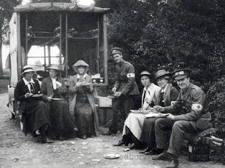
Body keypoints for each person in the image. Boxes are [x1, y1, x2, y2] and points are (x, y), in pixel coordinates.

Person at [152, 68, 212, 168]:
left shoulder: (197, 92)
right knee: (160, 122)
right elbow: (176, 106)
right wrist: (162, 109)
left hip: (200, 121)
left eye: (182, 79)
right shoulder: (182, 91)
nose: (180, 82)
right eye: (178, 80)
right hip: (189, 119)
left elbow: (194, 115)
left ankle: (174, 159)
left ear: (188, 79)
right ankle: (164, 151)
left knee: (177, 124)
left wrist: (175, 118)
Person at [113, 70, 161, 148]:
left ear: (150, 79)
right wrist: (141, 110)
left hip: (153, 113)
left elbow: (157, 105)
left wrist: (147, 110)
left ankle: (136, 142)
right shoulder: (145, 89)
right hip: (146, 112)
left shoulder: (156, 89)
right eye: (142, 79)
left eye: (146, 79)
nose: (144, 81)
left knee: (133, 117)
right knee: (131, 115)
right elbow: (145, 104)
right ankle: (126, 139)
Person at [139, 69, 179, 155]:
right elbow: (159, 104)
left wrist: (162, 109)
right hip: (163, 113)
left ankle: (159, 148)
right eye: (158, 80)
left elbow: (174, 108)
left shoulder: (172, 90)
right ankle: (149, 146)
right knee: (147, 120)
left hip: (172, 114)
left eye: (161, 80)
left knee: (154, 121)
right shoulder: (161, 90)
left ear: (167, 80)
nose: (159, 82)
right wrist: (154, 106)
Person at [106, 47, 140, 135]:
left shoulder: (129, 66)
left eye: (117, 56)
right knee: (115, 108)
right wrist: (115, 87)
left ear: (121, 56)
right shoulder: (117, 66)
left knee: (127, 112)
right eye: (114, 57)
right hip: (120, 90)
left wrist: (121, 93)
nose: (116, 59)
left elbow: (131, 82)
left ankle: (129, 132)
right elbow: (118, 79)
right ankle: (113, 129)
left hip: (130, 92)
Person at [14, 65, 53, 143]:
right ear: (24, 75)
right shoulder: (20, 83)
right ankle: (43, 134)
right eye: (27, 73)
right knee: (41, 106)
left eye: (31, 73)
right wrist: (25, 96)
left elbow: (39, 93)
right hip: (26, 104)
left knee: (43, 105)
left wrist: (42, 95)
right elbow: (17, 97)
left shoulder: (35, 81)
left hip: (35, 102)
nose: (29, 75)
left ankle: (43, 133)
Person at [41, 65, 77, 140]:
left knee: (62, 105)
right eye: (50, 71)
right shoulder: (45, 81)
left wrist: (60, 88)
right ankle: (69, 127)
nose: (51, 73)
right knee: (62, 105)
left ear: (56, 73)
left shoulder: (60, 80)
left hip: (60, 99)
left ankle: (61, 132)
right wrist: (47, 98)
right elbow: (42, 94)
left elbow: (65, 92)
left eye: (53, 72)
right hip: (50, 101)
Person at [68, 60, 99, 139]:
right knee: (81, 113)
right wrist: (76, 86)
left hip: (87, 101)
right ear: (77, 69)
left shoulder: (88, 77)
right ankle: (82, 133)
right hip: (77, 101)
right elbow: (70, 91)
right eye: (79, 68)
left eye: (83, 68)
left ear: (85, 69)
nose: (81, 70)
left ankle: (90, 132)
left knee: (89, 112)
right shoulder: (73, 78)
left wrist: (88, 87)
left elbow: (92, 91)